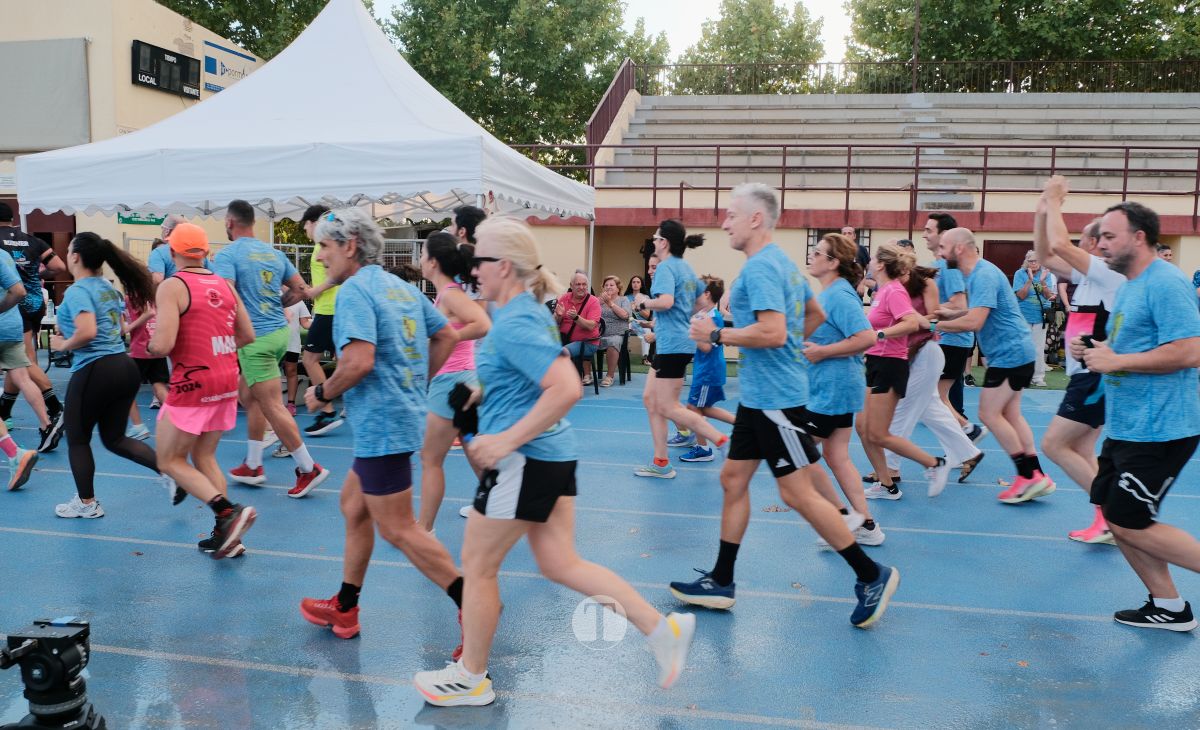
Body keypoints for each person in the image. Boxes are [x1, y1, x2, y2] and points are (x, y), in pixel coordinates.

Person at [413, 217, 695, 707]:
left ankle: (471, 676)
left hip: (525, 459)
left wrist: (503, 443)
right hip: (550, 455)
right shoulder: (516, 312)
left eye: (478, 259)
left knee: (477, 567)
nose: (471, 268)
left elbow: (563, 387)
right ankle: (661, 629)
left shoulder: (518, 319)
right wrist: (481, 389)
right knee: (562, 563)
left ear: (503, 266)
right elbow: (528, 374)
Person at [669, 183, 900, 628]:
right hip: (759, 400)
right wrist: (786, 343)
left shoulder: (760, 268)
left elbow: (774, 333)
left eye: (731, 215)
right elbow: (810, 315)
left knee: (797, 494)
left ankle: (871, 575)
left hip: (776, 401)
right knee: (733, 479)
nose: (724, 222)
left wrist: (715, 335)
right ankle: (721, 579)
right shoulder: (784, 266)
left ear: (756, 219)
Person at [299, 208, 467, 651]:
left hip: (383, 423)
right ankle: (346, 606)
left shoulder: (354, 291)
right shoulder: (400, 286)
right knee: (354, 506)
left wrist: (322, 393)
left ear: (350, 246)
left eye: (325, 246)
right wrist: (417, 383)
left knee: (398, 528)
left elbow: (358, 362)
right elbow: (446, 336)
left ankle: (474, 601)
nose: (320, 255)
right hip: (397, 417)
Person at [1070, 201, 1200, 631]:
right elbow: (1125, 347)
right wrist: (1093, 349)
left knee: (1131, 520)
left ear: (1139, 237)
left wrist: (1117, 360)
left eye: (1109, 236)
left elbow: (1189, 351)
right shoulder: (1128, 285)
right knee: (1115, 515)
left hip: (1162, 428)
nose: (1099, 244)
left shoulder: (1166, 283)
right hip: (1127, 425)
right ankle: (1169, 606)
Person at [148, 223, 258, 558]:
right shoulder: (224, 285)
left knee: (168, 459)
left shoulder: (173, 285)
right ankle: (227, 535)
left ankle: (228, 512)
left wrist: (147, 344)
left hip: (193, 379)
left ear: (172, 251)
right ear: (207, 252)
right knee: (204, 456)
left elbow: (164, 343)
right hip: (226, 377)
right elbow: (248, 335)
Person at [214, 200, 328, 498]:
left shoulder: (227, 255)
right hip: (279, 332)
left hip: (256, 339)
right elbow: (301, 290)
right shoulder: (274, 253)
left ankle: (308, 467)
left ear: (229, 222)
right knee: (249, 396)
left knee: (271, 405)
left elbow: (226, 298)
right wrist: (277, 304)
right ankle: (252, 464)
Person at [1034, 176, 1125, 545]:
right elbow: (1045, 254)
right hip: (1084, 372)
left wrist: (1054, 199)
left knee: (1054, 445)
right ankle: (1105, 519)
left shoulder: (1107, 270)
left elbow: (1058, 244)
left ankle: (1115, 515)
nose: (1092, 244)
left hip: (1095, 375)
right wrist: (1042, 211)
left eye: (1094, 239)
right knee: (1083, 450)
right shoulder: (1088, 276)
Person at [935, 228, 1054, 504]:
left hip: (1010, 353)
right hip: (1015, 351)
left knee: (989, 414)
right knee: (1011, 415)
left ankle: (1028, 477)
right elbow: (979, 311)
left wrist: (931, 324)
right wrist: (952, 312)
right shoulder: (979, 273)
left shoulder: (983, 275)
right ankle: (1037, 475)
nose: (940, 254)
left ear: (959, 249)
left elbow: (975, 322)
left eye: (943, 247)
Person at [49, 233, 161, 518]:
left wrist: (63, 343)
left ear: (75, 257)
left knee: (77, 438)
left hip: (95, 368)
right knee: (115, 439)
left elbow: (88, 332)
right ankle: (172, 471)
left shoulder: (77, 290)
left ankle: (87, 503)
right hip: (123, 366)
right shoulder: (108, 289)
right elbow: (119, 329)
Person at [879, 249, 984, 489]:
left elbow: (933, 316)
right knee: (931, 409)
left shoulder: (926, 283)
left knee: (902, 410)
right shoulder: (895, 286)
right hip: (910, 353)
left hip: (926, 351)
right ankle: (969, 452)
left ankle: (890, 469)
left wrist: (905, 314)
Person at [801, 233, 880, 545]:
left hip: (833, 390)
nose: (812, 255)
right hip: (833, 387)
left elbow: (867, 338)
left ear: (833, 262)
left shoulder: (839, 296)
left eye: (818, 252)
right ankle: (868, 526)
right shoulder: (831, 292)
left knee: (795, 449)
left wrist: (822, 352)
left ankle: (842, 517)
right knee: (836, 455)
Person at [855, 244, 952, 500]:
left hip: (890, 364)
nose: (869, 261)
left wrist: (879, 334)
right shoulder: (882, 291)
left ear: (880, 265)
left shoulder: (894, 291)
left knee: (878, 433)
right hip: (875, 361)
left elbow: (910, 322)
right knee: (863, 427)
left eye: (873, 258)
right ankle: (886, 485)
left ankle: (934, 464)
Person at [635, 221, 727, 478]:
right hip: (676, 343)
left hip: (671, 345)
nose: (653, 240)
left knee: (668, 406)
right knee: (650, 400)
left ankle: (720, 440)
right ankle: (661, 462)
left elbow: (666, 301)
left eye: (655, 237)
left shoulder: (666, 268)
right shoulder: (686, 268)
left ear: (664, 242)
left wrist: (644, 301)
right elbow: (700, 302)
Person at [417, 231, 490, 532]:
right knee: (474, 449)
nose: (419, 260)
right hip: (459, 380)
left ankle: (424, 529)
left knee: (430, 459)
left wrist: (449, 338)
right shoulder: (446, 292)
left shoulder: (449, 293)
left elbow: (483, 324)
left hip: (451, 382)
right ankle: (507, 503)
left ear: (433, 262)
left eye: (422, 254)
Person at [0, 202, 66, 435]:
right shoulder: (31, 239)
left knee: (26, 361)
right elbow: (58, 266)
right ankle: (4, 412)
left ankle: (55, 408)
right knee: (15, 361)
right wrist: (38, 273)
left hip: (12, 305)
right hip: (36, 302)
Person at [922, 212, 984, 439]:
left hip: (952, 340)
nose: (924, 234)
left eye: (929, 230)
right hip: (946, 340)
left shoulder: (947, 266)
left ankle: (969, 432)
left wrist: (926, 315)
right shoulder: (937, 265)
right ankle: (964, 444)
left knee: (936, 399)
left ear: (944, 235)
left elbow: (959, 302)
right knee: (938, 399)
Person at [297, 204, 344, 437]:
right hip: (337, 309)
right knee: (346, 360)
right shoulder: (330, 244)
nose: (305, 229)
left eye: (305, 224)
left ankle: (326, 410)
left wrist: (314, 291)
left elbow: (335, 276)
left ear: (314, 222)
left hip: (329, 310)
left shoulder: (321, 246)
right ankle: (355, 404)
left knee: (309, 359)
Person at [676, 276, 734, 462]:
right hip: (706, 369)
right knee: (703, 409)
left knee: (694, 409)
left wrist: (692, 331)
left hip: (709, 371)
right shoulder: (703, 315)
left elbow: (706, 347)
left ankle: (703, 448)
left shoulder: (712, 318)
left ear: (707, 294)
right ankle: (745, 426)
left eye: (699, 290)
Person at [0, 247, 40, 490]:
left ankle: (15, 452)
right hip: (13, 327)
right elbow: (18, 289)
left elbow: (18, 291)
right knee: (25, 378)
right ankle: (48, 422)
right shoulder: (3, 255)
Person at [123, 264, 171, 442]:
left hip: (141, 349)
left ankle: (138, 426)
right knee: (158, 385)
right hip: (156, 347)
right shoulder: (155, 295)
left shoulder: (133, 296)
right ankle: (176, 421)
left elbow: (147, 314)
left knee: (126, 390)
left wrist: (128, 327)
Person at [1012, 251, 1057, 387]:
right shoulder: (1020, 274)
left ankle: (1038, 377)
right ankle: (1022, 376)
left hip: (1040, 317)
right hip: (1023, 316)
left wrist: (1042, 281)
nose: (1033, 263)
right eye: (1030, 261)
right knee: (1023, 347)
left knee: (1038, 348)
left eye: (1036, 260)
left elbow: (1049, 296)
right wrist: (1030, 280)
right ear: (1026, 262)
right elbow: (1020, 295)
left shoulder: (1046, 274)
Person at [555, 270, 602, 385]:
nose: (581, 287)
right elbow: (554, 323)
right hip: (564, 339)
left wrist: (576, 318)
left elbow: (591, 326)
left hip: (587, 343)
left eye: (584, 284)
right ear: (571, 286)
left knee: (562, 352)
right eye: (578, 284)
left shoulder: (593, 301)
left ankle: (564, 383)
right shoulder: (564, 298)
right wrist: (558, 316)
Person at [597, 275, 631, 387]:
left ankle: (609, 376)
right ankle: (587, 375)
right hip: (599, 334)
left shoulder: (623, 300)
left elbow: (625, 315)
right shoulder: (598, 300)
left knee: (613, 341)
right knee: (585, 341)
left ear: (618, 288)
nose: (608, 287)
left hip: (618, 334)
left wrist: (610, 303)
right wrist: (598, 303)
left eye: (611, 285)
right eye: (606, 285)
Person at [282, 298, 311, 417]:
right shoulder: (271, 294)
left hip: (292, 343)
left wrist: (324, 323)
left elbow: (305, 323)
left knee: (291, 371)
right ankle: (268, 404)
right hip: (273, 343)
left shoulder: (298, 300)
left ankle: (291, 404)